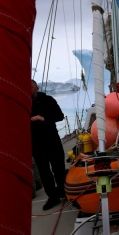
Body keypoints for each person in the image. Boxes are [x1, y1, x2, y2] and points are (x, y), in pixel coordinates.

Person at [30, 80, 66, 210]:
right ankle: (52, 197)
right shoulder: (24, 104)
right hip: (36, 144)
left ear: (36, 88)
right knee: (44, 172)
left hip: (52, 140)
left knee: (59, 168)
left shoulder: (48, 100)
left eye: (31, 86)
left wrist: (43, 118)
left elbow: (60, 116)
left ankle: (63, 192)